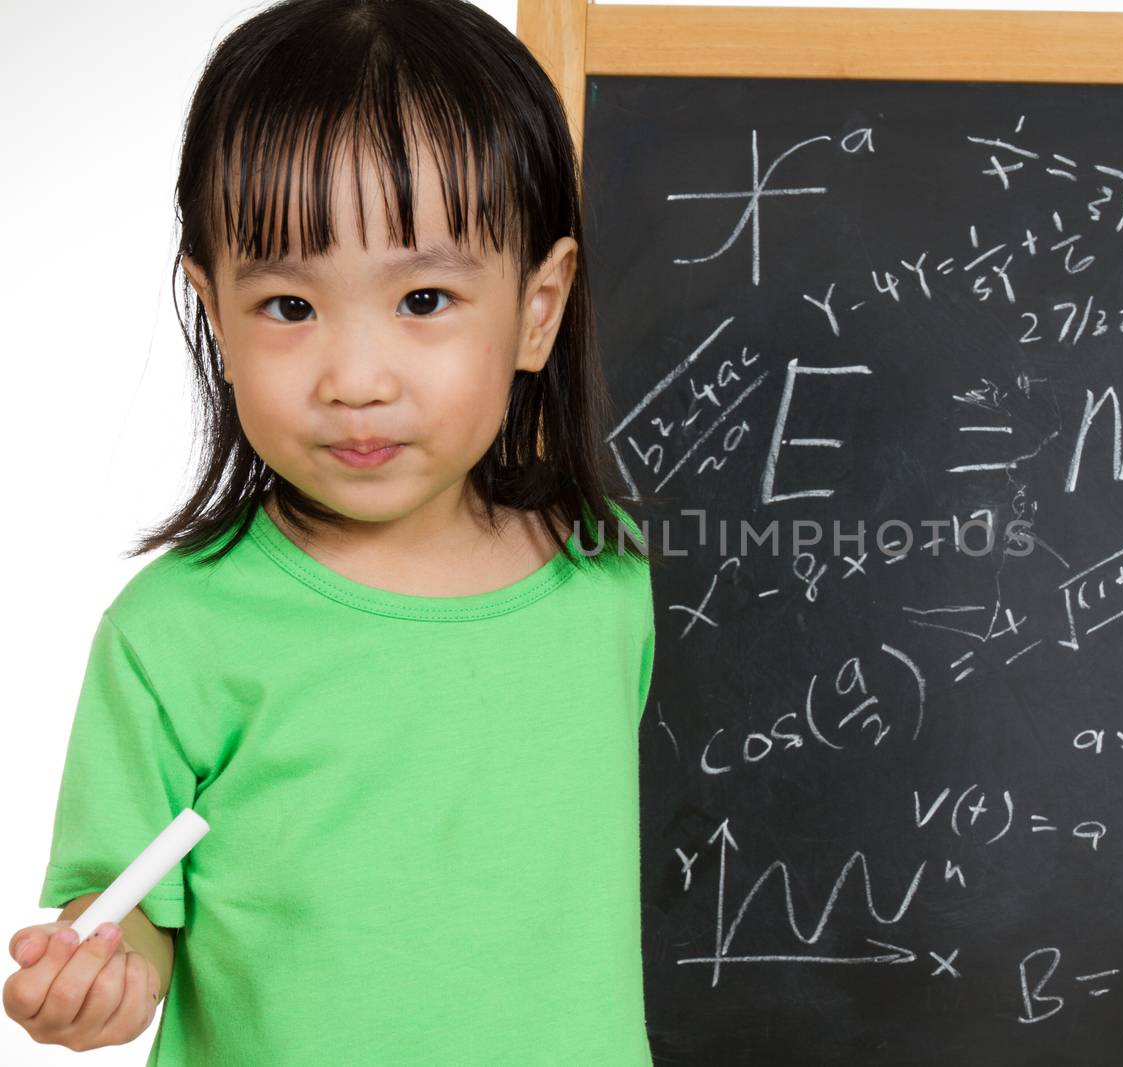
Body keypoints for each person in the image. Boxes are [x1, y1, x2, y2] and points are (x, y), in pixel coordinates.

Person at [2, 0, 659, 1061]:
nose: (355, 380)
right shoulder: (176, 630)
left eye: (427, 297)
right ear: (213, 312)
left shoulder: (607, 580)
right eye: (290, 308)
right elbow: (121, 904)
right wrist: (101, 974)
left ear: (538, 308)